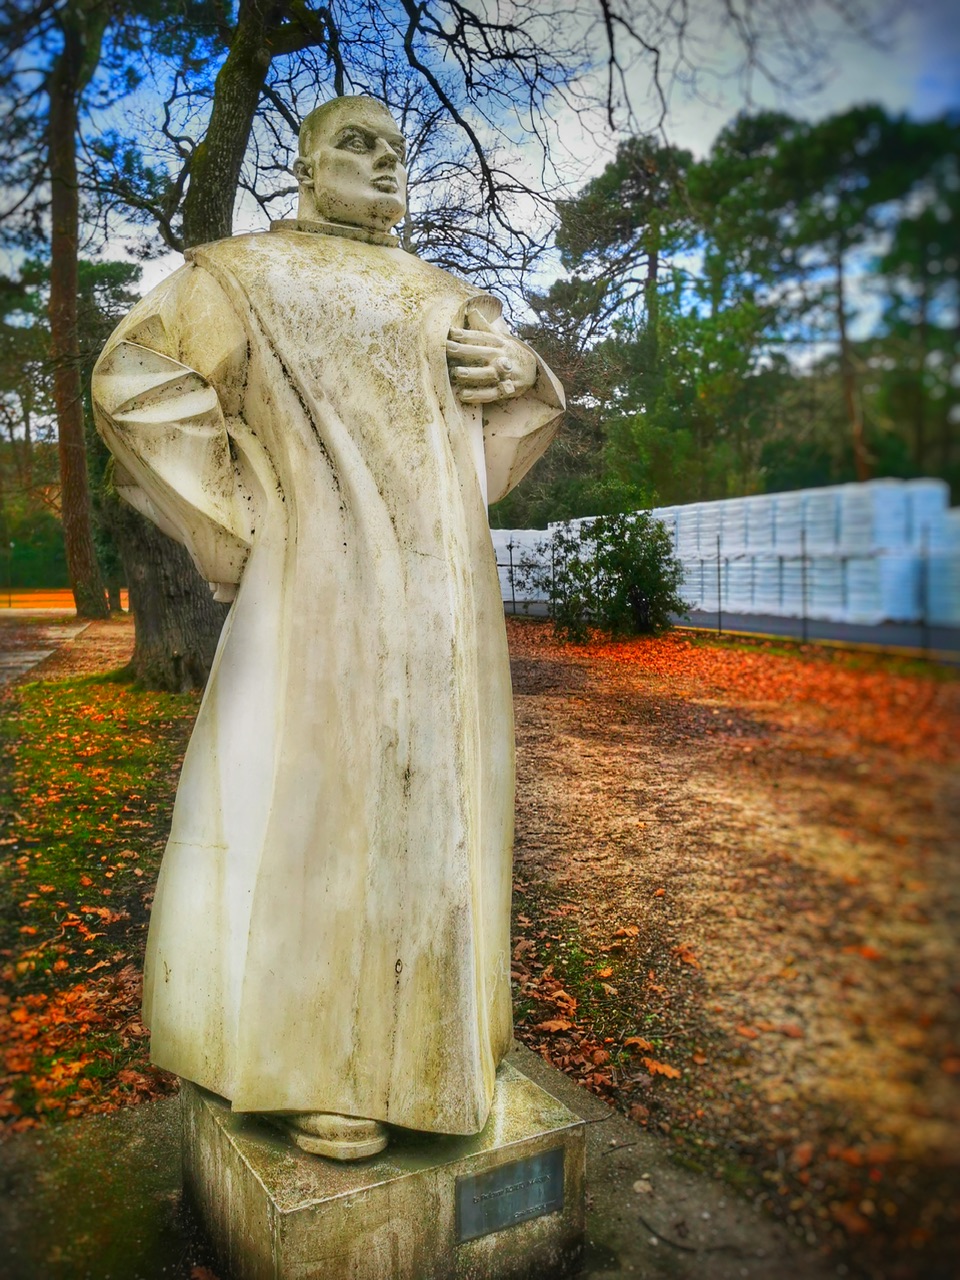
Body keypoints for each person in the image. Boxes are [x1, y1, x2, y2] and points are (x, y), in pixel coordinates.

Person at [92, 95, 563, 1161]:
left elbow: (492, 444)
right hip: (317, 589)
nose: (386, 162)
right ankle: (318, 1062)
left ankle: (438, 1048)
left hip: (445, 603)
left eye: (397, 150)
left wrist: (522, 380)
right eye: (358, 143)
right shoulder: (240, 276)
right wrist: (246, 516)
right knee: (315, 810)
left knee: (435, 808)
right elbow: (132, 377)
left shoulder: (446, 295)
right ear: (304, 168)